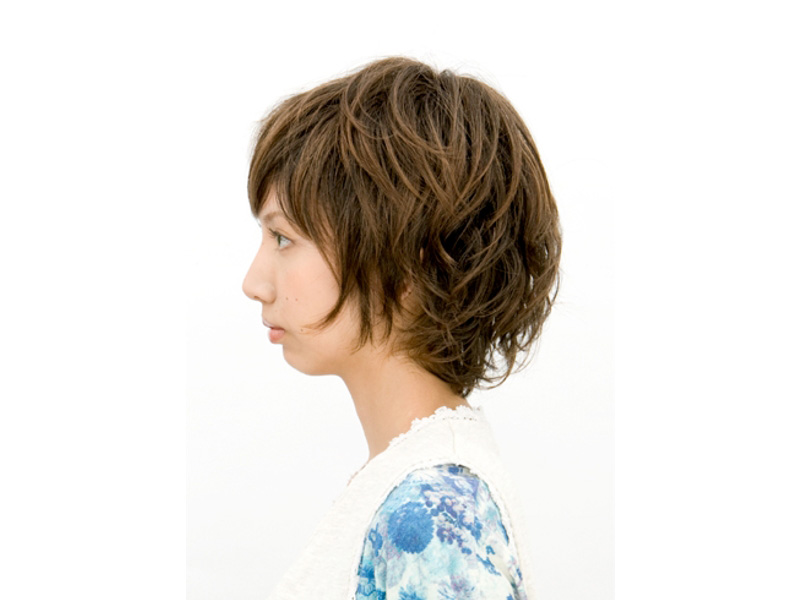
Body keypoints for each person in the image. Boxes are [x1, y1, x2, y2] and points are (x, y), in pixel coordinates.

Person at [242, 56, 561, 600]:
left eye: (283, 238)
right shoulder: (410, 488)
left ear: (406, 264)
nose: (254, 283)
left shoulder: (432, 514)